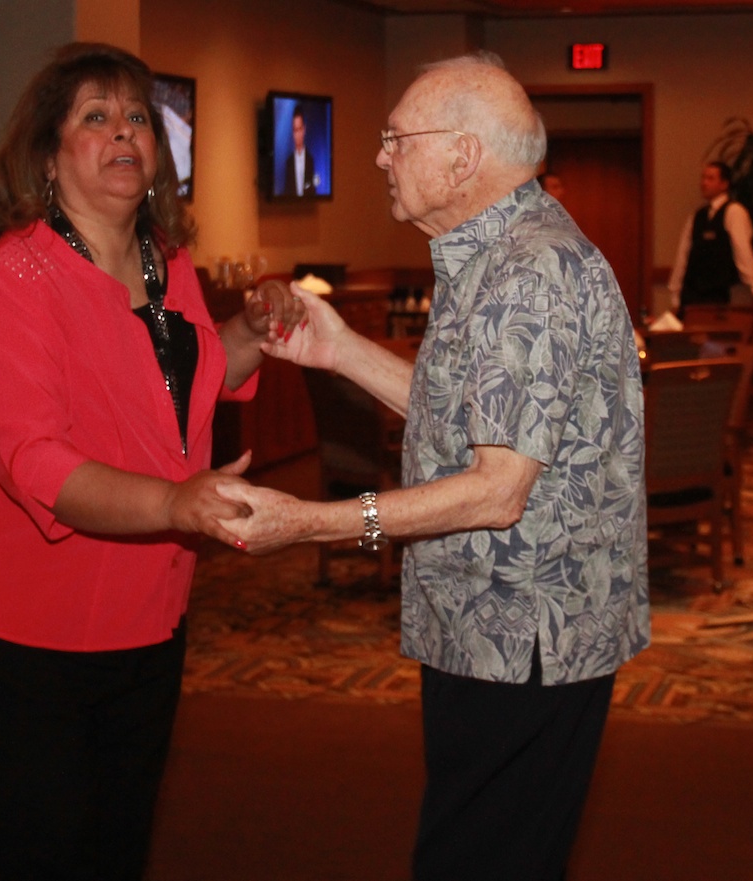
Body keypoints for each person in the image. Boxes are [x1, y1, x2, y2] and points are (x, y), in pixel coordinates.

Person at [219, 52, 650, 881]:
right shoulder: (489, 254)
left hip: (523, 639)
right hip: (493, 629)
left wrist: (313, 522)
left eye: (395, 138)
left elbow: (497, 491)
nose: (381, 156)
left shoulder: (529, 270)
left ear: (462, 155)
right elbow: (478, 426)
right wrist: (340, 349)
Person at [0, 42, 303, 881]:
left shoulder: (165, 261)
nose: (123, 132)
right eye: (95, 116)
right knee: (36, 852)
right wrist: (177, 504)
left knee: (114, 845)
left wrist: (251, 330)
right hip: (10, 623)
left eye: (136, 118)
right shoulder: (9, 279)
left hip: (144, 611)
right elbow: (37, 464)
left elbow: (181, 379)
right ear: (48, 156)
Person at [668, 160, 753, 316]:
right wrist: (675, 290)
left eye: (710, 178)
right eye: (703, 178)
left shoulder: (734, 212)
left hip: (718, 294)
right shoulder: (697, 216)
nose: (704, 183)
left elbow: (742, 249)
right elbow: (683, 254)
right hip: (692, 293)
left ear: (724, 184)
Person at [283, 103, 317, 196]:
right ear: (292, 132)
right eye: (295, 130)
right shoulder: (289, 163)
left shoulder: (310, 161)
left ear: (304, 130)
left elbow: (313, 190)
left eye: (299, 129)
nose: (297, 134)